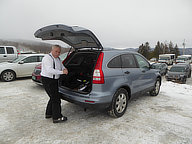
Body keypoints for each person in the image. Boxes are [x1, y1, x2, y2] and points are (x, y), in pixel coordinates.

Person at [41, 45, 68, 123]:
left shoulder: (58, 59)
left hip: (54, 80)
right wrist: (62, 72)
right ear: (52, 50)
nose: (58, 53)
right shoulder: (47, 58)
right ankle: (57, 117)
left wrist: (64, 68)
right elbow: (49, 70)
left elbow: (61, 66)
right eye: (56, 51)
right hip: (48, 80)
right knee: (56, 99)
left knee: (53, 97)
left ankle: (49, 113)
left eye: (59, 52)